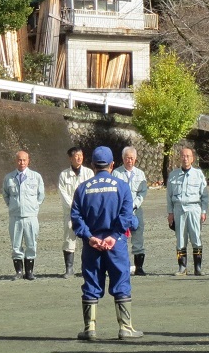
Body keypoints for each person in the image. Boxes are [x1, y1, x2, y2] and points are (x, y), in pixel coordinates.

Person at [70, 146, 142, 341]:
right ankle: (125, 328)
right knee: (121, 281)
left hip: (92, 244)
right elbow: (127, 216)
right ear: (112, 164)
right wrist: (114, 235)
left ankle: (90, 329)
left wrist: (90, 237)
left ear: (92, 165)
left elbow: (76, 217)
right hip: (115, 243)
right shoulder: (121, 186)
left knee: (91, 283)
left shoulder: (82, 188)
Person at [2, 150, 45, 280]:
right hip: (15, 216)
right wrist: (13, 206)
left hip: (31, 216)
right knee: (16, 245)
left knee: (31, 244)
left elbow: (41, 195)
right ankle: (19, 272)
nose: (22, 162)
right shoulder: (9, 177)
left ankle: (29, 272)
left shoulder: (36, 176)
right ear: (16, 161)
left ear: (28, 161)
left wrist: (33, 207)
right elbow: (5, 194)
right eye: (19, 160)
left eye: (24, 160)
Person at [166, 145, 208, 276]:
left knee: (196, 238)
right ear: (180, 158)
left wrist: (204, 211)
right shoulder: (173, 175)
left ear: (192, 159)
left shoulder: (198, 174)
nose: (185, 158)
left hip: (194, 208)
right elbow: (168, 196)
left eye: (188, 156)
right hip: (179, 209)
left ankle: (198, 268)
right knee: (180, 239)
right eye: (183, 156)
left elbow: (205, 195)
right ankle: (182, 268)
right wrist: (170, 213)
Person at [58, 147, 93, 279]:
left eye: (81, 155)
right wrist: (74, 208)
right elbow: (63, 194)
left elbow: (91, 192)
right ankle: (69, 268)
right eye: (76, 156)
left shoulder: (89, 173)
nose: (79, 158)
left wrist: (83, 208)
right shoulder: (64, 175)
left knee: (87, 238)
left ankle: (87, 268)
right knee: (69, 238)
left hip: (86, 212)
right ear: (70, 158)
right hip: (70, 212)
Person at [114, 147, 149, 276]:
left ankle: (139, 267)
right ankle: (120, 267)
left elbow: (143, 192)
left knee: (138, 237)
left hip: (136, 210)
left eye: (132, 158)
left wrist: (134, 205)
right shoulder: (116, 173)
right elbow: (114, 192)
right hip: (120, 211)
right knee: (119, 238)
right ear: (123, 159)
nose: (130, 160)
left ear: (135, 159)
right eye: (127, 158)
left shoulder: (140, 174)